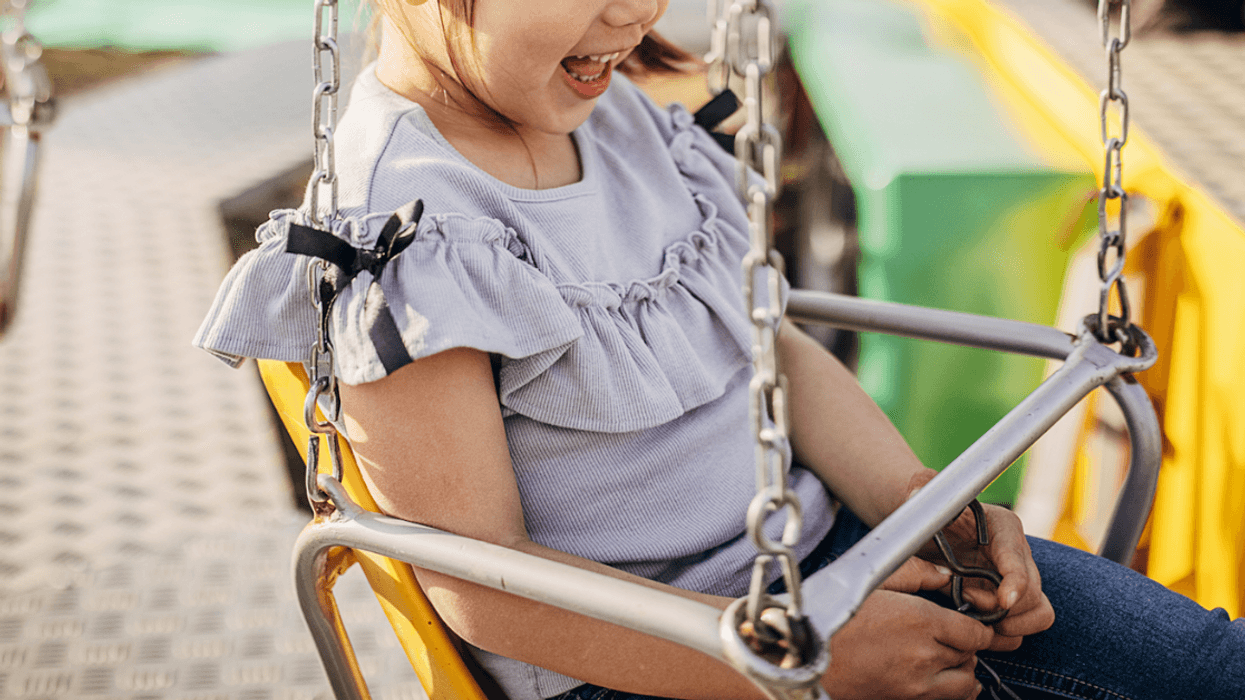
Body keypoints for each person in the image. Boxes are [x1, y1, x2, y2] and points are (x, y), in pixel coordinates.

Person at [194, 1, 1245, 699]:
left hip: (828, 564)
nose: (636, 11)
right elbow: (486, 590)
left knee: (1201, 664)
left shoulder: (622, 123)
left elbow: (770, 349)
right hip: (650, 661)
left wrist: (925, 504)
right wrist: (794, 661)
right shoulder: (402, 226)